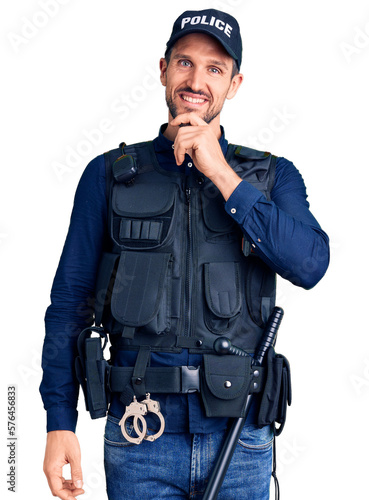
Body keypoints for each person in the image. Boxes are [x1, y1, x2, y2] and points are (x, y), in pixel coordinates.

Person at [40, 8, 329, 500]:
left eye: (215, 69)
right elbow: (70, 303)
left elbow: (310, 264)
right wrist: (59, 420)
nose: (197, 80)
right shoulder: (106, 175)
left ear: (234, 84)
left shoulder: (271, 176)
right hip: (140, 435)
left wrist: (221, 173)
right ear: (163, 69)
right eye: (185, 63)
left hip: (241, 439)